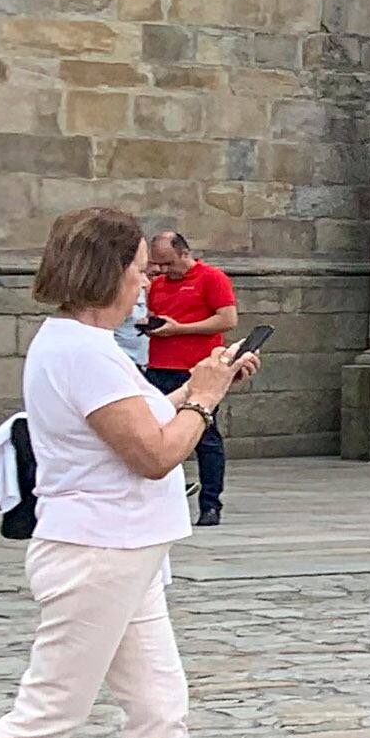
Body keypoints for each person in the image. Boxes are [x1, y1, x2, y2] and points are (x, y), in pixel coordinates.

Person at [0, 207, 285, 738]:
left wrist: (203, 383)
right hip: (97, 554)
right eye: (137, 268)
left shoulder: (85, 346)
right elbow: (154, 453)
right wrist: (204, 400)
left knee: (158, 707)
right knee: (48, 711)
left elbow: (142, 419)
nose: (146, 282)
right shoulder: (81, 352)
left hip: (126, 554)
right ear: (107, 272)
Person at [139, 224, 237, 528]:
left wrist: (179, 329)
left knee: (205, 438)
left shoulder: (211, 278)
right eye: (157, 264)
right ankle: (159, 501)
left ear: (185, 253)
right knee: (154, 433)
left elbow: (227, 320)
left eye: (168, 263)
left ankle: (211, 504)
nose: (162, 270)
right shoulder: (158, 284)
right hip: (159, 366)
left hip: (197, 369)